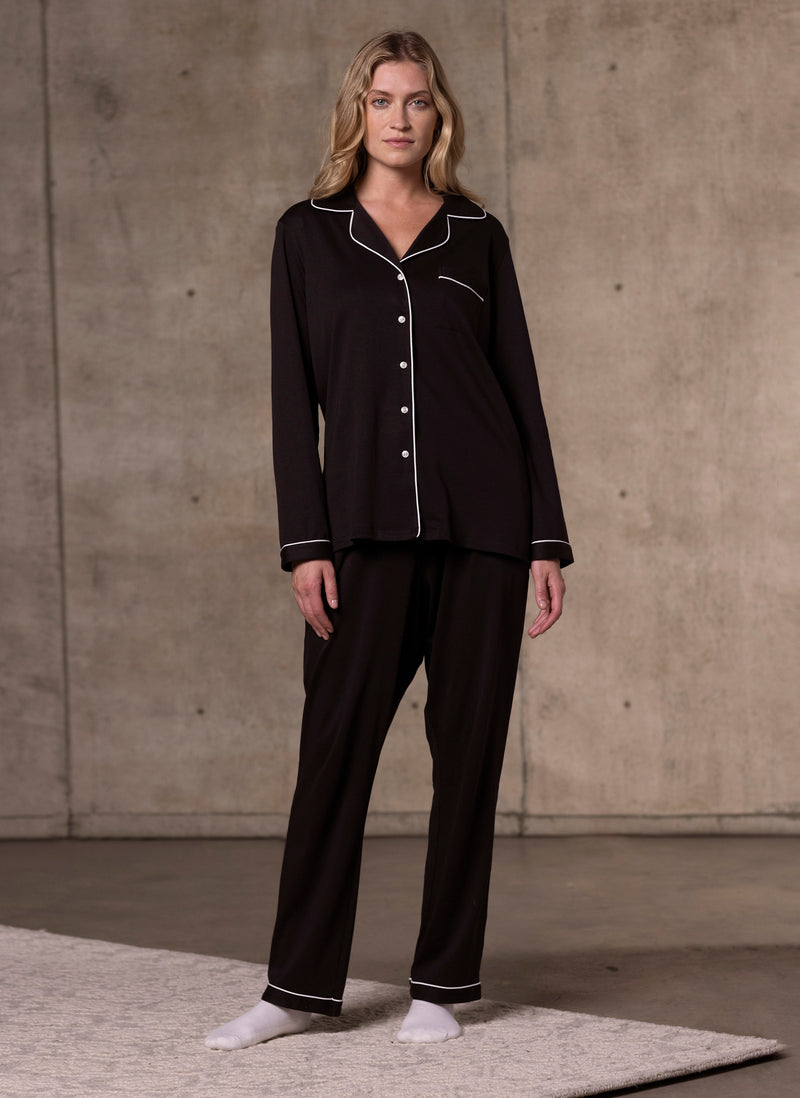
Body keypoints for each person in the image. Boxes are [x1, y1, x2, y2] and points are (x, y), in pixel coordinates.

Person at [205, 28, 572, 1051]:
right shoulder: (307, 235)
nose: (399, 118)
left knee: (468, 757)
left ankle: (441, 986)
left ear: (437, 114)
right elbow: (293, 401)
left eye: (415, 100)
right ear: (355, 112)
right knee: (333, 754)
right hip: (360, 535)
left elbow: (519, 391)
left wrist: (545, 540)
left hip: (484, 532)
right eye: (381, 100)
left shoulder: (477, 235)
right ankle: (294, 989)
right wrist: (305, 543)